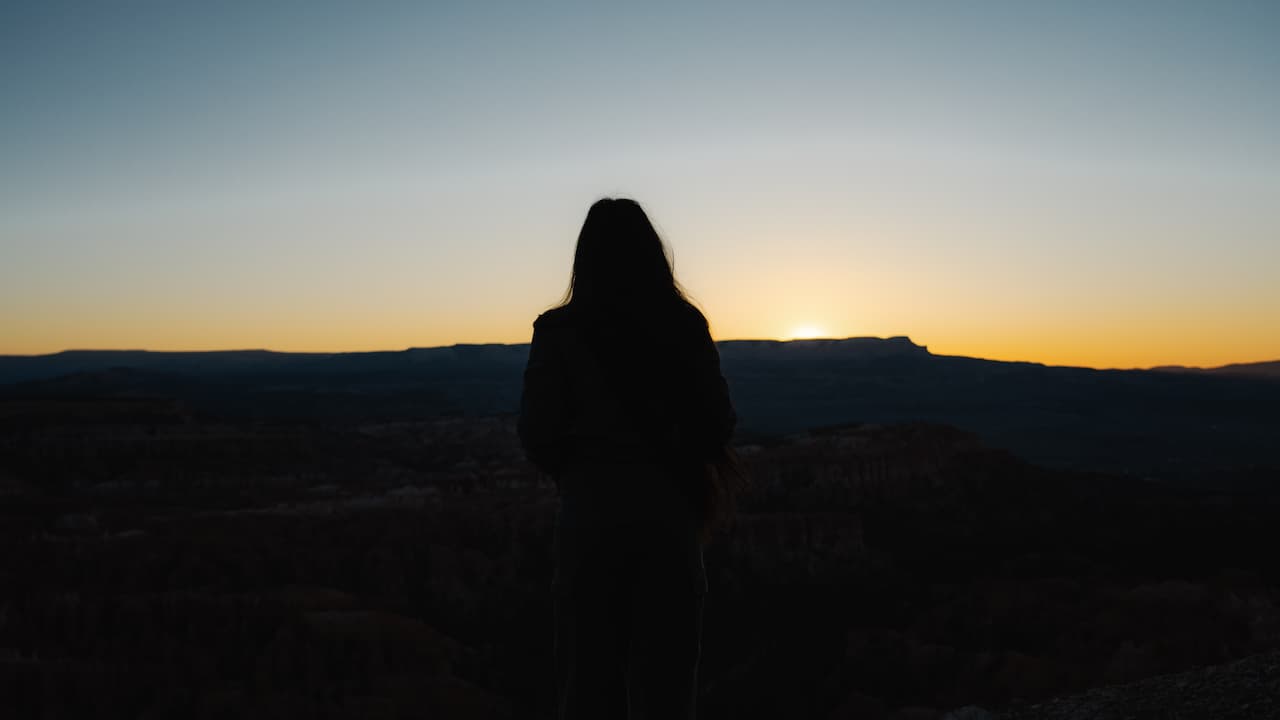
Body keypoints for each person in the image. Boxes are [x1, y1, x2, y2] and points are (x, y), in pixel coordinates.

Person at [518, 197, 739, 719]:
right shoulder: (683, 325)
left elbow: (537, 432)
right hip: (669, 524)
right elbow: (719, 424)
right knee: (666, 687)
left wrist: (583, 470)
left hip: (589, 525)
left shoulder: (558, 332)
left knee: (588, 686)